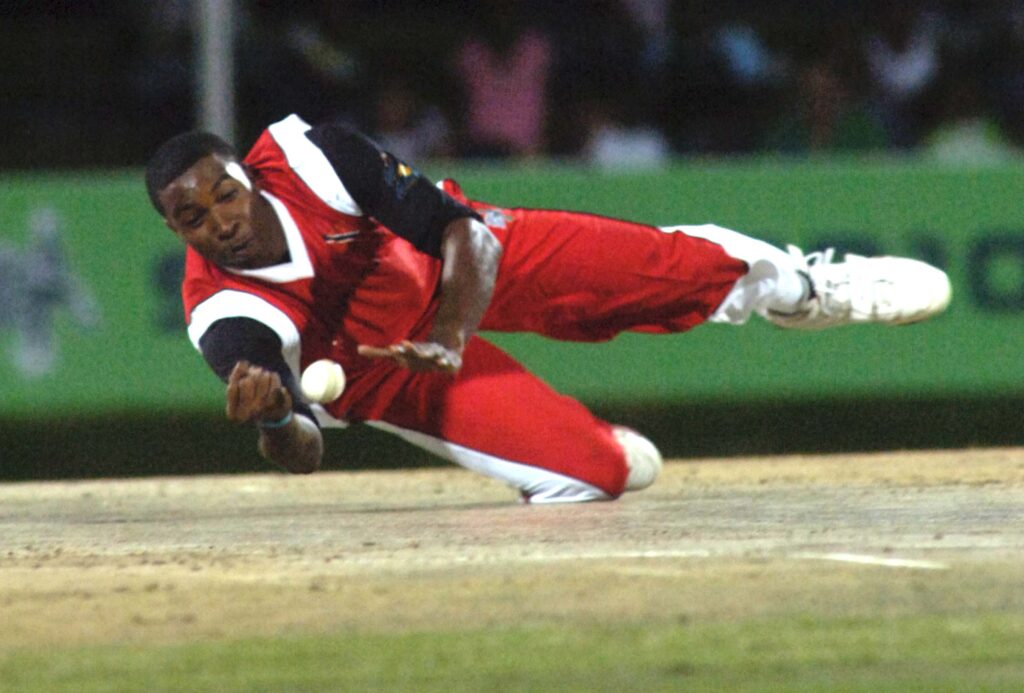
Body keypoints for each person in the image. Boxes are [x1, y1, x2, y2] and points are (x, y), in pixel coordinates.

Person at [144, 113, 951, 504]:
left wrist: (452, 333)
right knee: (606, 474)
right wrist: (274, 418)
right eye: (193, 218)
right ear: (176, 231)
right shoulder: (223, 313)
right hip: (383, 369)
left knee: (661, 268)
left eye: (225, 195)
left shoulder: (309, 156)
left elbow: (461, 232)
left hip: (453, 266)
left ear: (245, 174)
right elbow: (304, 451)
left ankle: (802, 288)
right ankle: (578, 443)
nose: (221, 222)